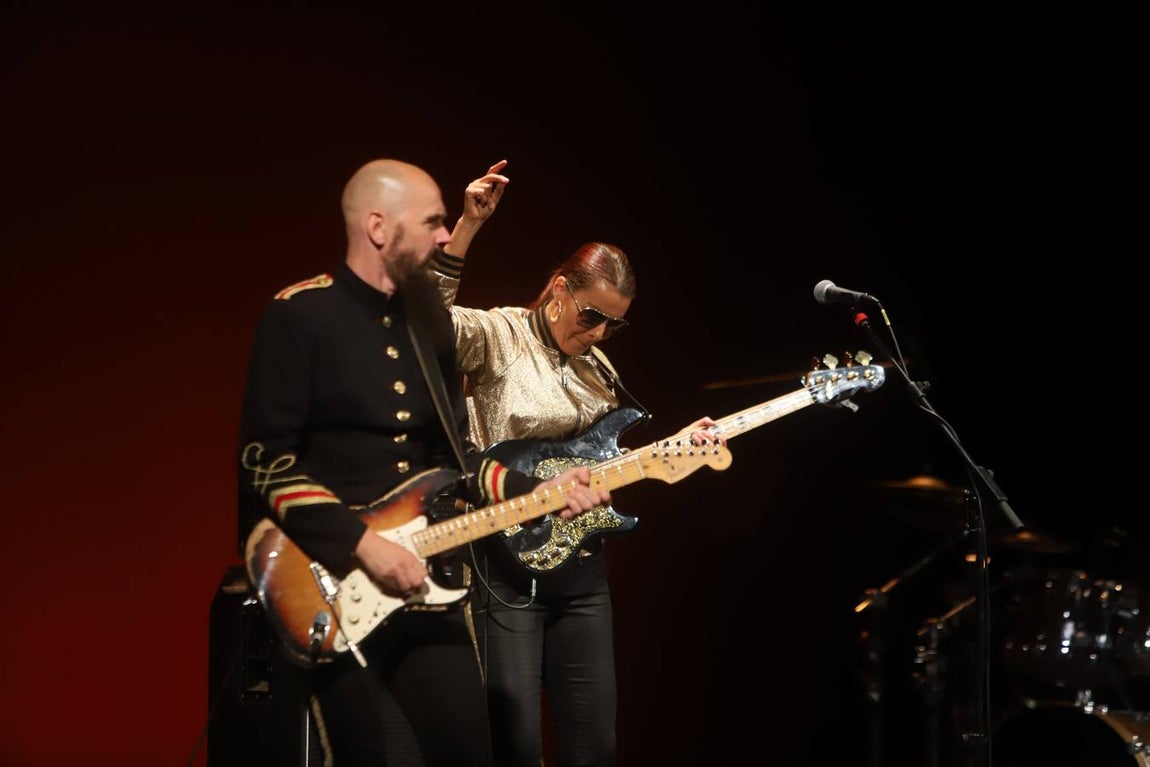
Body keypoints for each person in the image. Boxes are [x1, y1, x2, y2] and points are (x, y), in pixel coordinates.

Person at [236, 158, 612, 767]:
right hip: (332, 586)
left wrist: (543, 487)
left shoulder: (426, 326)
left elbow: (458, 460)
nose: (445, 235)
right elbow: (264, 464)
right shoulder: (300, 315)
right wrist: (361, 544)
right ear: (379, 228)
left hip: (427, 583)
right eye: (434, 222)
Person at [433, 159, 720, 766]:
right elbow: (423, 325)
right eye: (591, 315)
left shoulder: (601, 368)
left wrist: (675, 449)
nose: (598, 333)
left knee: (594, 747)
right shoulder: (501, 335)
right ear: (560, 290)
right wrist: (466, 229)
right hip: (506, 567)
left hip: (582, 574)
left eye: (614, 325)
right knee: (514, 749)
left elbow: (604, 458)